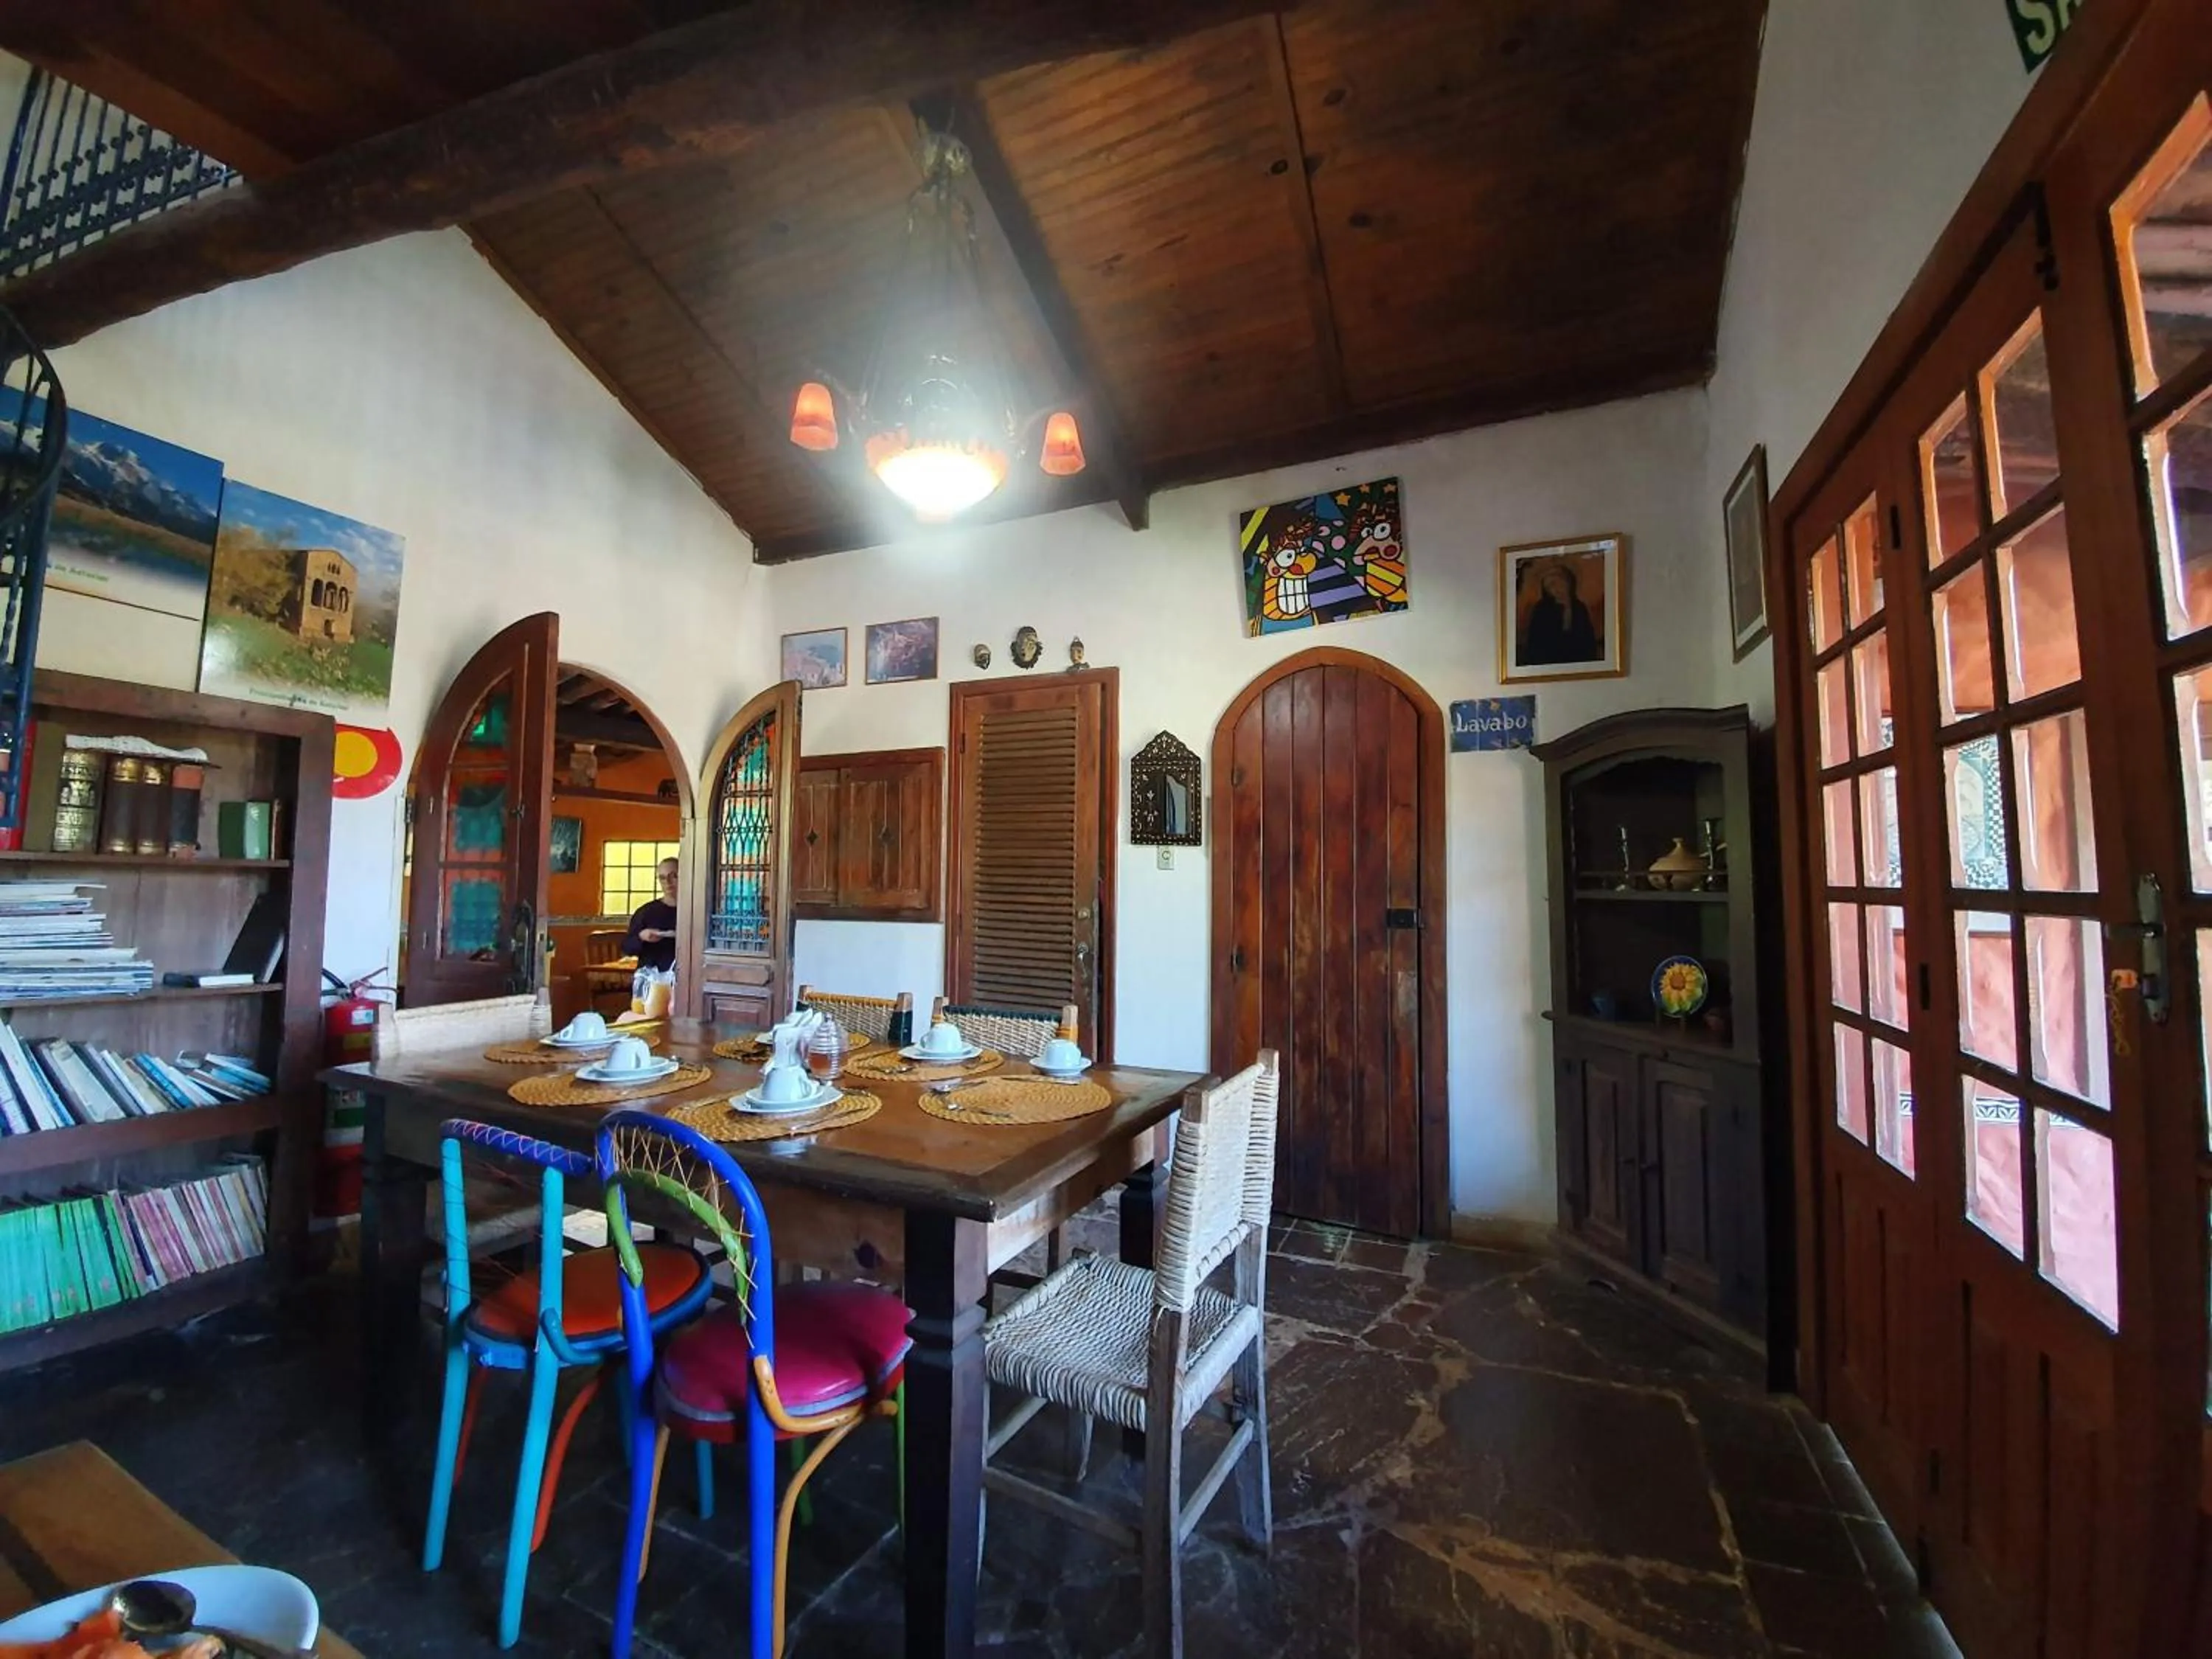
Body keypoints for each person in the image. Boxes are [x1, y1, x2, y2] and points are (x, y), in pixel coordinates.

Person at [1520, 560, 1601, 666]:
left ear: (1568, 582)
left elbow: (1587, 639)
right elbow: (1537, 643)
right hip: (1549, 660)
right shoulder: (1542, 609)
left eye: (1558, 583)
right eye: (1550, 587)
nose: (1556, 589)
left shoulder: (1579, 607)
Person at [623, 856, 679, 971]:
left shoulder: (697, 912)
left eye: (673, 876)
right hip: (653, 978)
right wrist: (641, 937)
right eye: (662, 878)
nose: (668, 882)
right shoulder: (646, 913)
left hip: (689, 977)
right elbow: (627, 947)